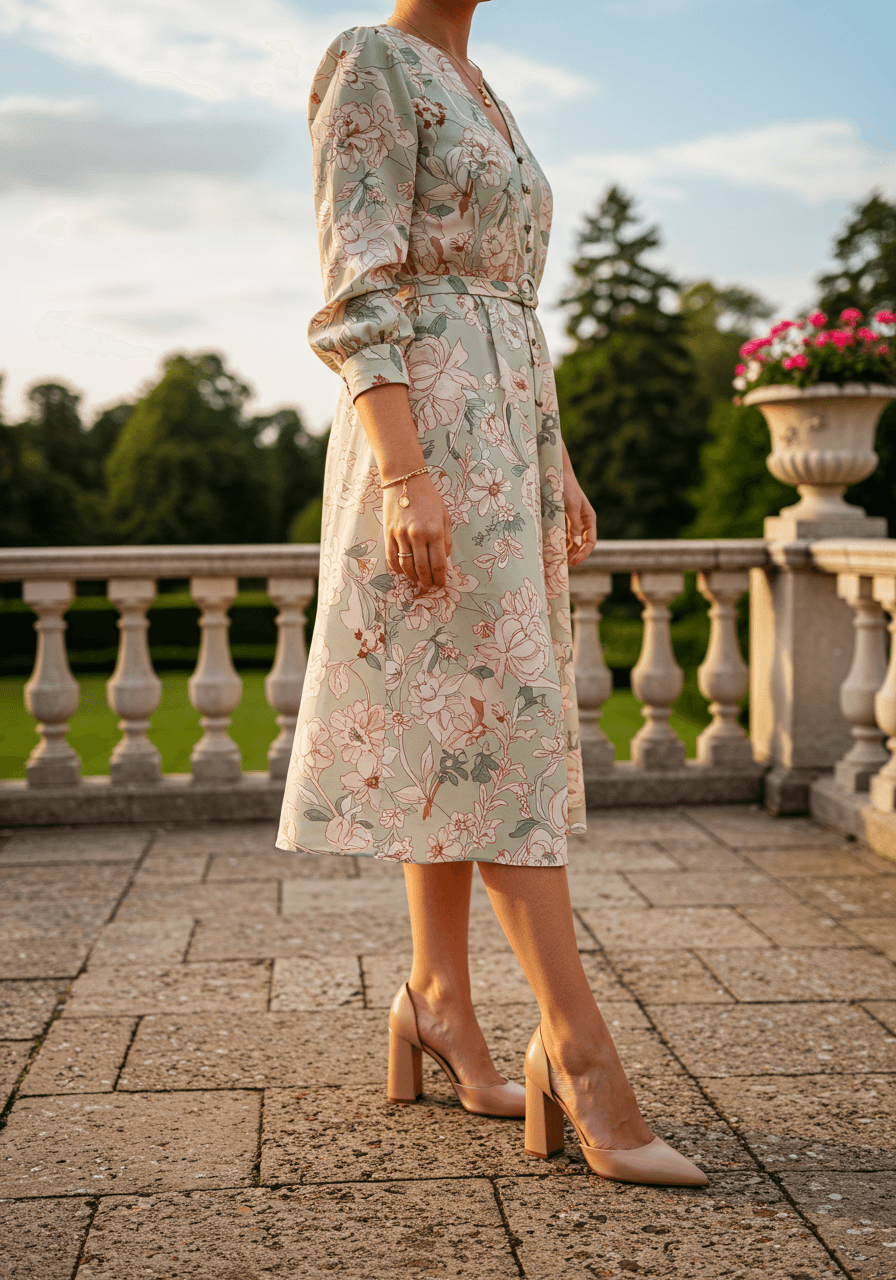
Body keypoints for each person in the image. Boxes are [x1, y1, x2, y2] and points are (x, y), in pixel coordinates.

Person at [277, 0, 707, 1186]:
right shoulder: (369, 61)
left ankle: (436, 1001)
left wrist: (552, 458)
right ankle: (581, 1056)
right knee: (499, 739)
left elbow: (510, 305)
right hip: (423, 447)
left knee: (461, 730)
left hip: (501, 437)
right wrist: (408, 475)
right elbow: (354, 289)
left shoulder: (482, 87)